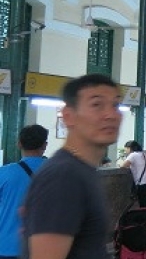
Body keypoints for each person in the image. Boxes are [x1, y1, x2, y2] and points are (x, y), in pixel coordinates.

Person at [22, 74, 122, 259]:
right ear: (68, 116)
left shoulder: (82, 171)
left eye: (115, 105)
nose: (111, 114)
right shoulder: (63, 176)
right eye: (97, 104)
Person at [0, 124, 48, 259]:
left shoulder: (4, 173)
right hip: (45, 247)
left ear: (19, 144)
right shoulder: (57, 172)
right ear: (45, 145)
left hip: (6, 247)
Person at [121, 140, 146, 208]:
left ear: (130, 148)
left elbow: (123, 166)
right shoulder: (143, 154)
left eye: (126, 149)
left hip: (143, 184)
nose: (126, 151)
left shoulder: (133, 155)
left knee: (143, 206)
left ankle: (145, 218)